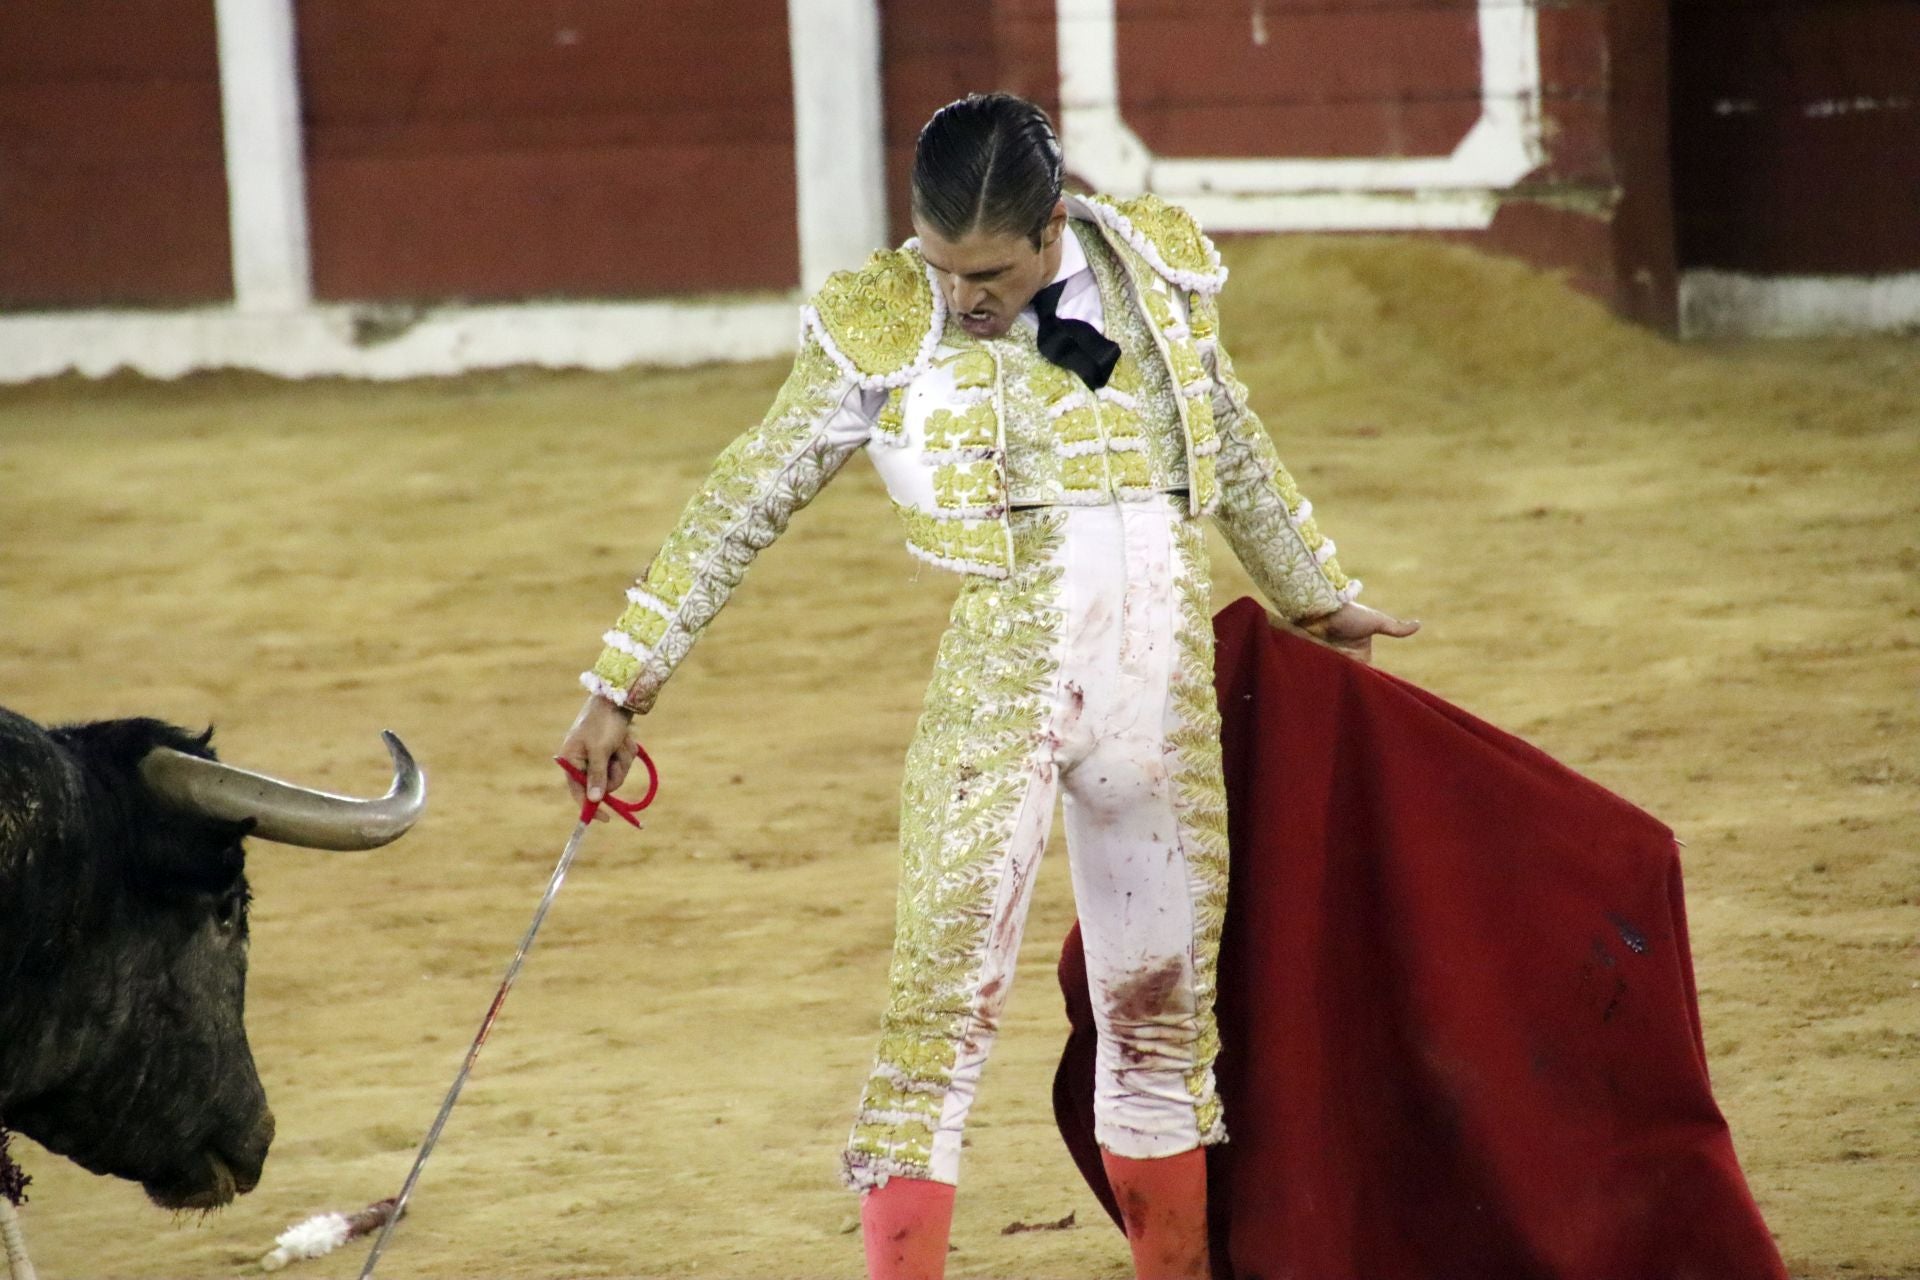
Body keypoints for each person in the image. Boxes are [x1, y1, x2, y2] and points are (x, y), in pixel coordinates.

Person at [559, 93, 1416, 1280]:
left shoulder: (1150, 273)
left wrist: (1316, 592)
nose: (963, 296)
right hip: (1001, 698)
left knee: (1166, 1028)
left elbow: (1229, 433)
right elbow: (746, 493)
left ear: (1056, 223)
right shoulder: (885, 317)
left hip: (1160, 696)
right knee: (936, 1027)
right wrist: (622, 681)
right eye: (944, 264)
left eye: (992, 270)